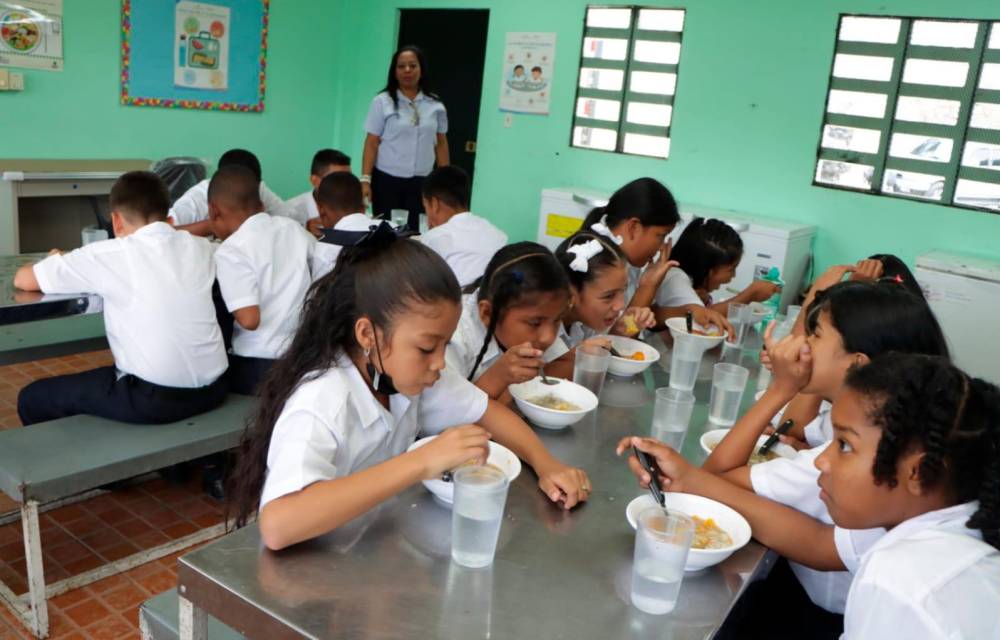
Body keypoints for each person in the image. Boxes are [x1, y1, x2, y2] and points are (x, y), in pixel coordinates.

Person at [227, 227, 591, 550]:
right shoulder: (324, 399)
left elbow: (487, 410)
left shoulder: (407, 374)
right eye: (426, 347)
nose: (439, 362)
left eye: (445, 345)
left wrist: (547, 465)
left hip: (370, 549)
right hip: (313, 570)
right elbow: (278, 524)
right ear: (368, 334)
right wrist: (420, 462)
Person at [14, 171, 228, 424]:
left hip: (155, 400)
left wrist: (55, 261)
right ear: (167, 215)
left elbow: (23, 279)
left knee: (31, 398)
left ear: (116, 221)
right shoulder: (201, 247)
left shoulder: (109, 254)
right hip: (216, 388)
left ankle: (71, 458)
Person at [209, 166, 315, 395]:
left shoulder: (230, 251)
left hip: (257, 367)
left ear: (213, 211)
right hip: (301, 359)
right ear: (261, 204)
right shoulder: (293, 229)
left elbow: (249, 320)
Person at [446, 243, 572, 400]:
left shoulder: (545, 316)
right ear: (488, 313)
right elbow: (447, 413)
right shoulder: (453, 336)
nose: (548, 337)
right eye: (534, 323)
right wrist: (498, 377)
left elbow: (561, 362)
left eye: (557, 320)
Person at [361, 46, 449, 231]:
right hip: (387, 180)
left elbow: (440, 143)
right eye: (401, 66)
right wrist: (365, 179)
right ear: (394, 71)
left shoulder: (435, 104)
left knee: (417, 231)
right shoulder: (382, 101)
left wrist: (444, 180)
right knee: (386, 233)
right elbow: (371, 142)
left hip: (422, 181)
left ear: (421, 69)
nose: (407, 70)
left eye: (412, 65)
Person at [654, 217, 781, 322]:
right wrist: (749, 294)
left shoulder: (688, 281)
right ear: (707, 268)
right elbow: (703, 318)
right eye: (731, 269)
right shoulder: (675, 277)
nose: (733, 276)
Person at [553, 229, 655, 347]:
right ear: (571, 293)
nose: (620, 306)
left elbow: (605, 348)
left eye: (623, 290)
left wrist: (625, 328)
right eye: (609, 296)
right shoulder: (544, 330)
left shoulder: (584, 322)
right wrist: (580, 354)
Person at [419, 165, 507, 287]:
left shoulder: (435, 237)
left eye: (426, 207)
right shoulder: (498, 234)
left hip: (457, 303)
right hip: (494, 300)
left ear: (435, 203)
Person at [169, 149, 291, 236]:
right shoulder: (196, 200)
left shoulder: (258, 189)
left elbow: (289, 219)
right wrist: (210, 226)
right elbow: (163, 232)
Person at [311, 171, 379, 281]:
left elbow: (319, 295)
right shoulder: (392, 229)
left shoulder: (326, 249)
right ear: (363, 207)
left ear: (321, 210)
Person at [284, 149, 352, 233]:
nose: (345, 186)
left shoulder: (353, 206)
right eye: (335, 180)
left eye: (349, 180)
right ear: (314, 181)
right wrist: (304, 231)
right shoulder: (290, 212)